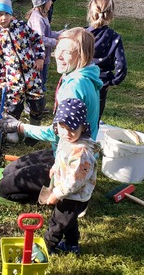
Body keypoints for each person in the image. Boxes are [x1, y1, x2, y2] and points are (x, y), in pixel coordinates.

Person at [0, 27, 102, 203]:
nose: (58, 56)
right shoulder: (84, 74)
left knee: (4, 189)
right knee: (8, 171)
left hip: (71, 158)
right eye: (57, 49)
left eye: (66, 52)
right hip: (63, 148)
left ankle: (66, 196)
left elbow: (58, 132)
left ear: (82, 55)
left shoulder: (75, 87)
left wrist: (19, 127)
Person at [42, 98, 98, 255]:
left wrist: (56, 194)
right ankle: (72, 245)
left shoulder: (81, 152)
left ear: (82, 127)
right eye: (62, 127)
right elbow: (62, 157)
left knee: (57, 223)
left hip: (73, 196)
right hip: (68, 192)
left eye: (72, 129)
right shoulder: (66, 139)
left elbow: (74, 181)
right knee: (69, 221)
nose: (66, 133)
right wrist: (55, 167)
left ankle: (47, 248)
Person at [0, 0, 46, 143]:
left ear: (11, 13)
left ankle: (34, 131)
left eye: (7, 13)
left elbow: (37, 39)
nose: (3, 18)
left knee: (37, 103)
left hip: (32, 74)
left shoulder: (21, 26)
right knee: (14, 105)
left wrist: (40, 57)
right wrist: (2, 79)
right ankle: (12, 129)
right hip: (13, 78)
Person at [86, 0, 127, 121]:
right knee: (95, 116)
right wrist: (114, 80)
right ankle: (91, 135)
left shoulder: (82, 34)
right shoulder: (114, 37)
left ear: (91, 13)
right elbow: (121, 64)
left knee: (78, 112)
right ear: (111, 15)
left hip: (81, 78)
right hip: (102, 82)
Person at [26, 0, 61, 111]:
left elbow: (47, 34)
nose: (51, 2)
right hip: (37, 58)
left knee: (42, 81)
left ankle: (38, 105)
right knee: (37, 82)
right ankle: (32, 107)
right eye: (50, 0)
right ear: (43, 2)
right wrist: (56, 42)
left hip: (43, 57)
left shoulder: (42, 16)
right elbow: (40, 39)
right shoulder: (37, 19)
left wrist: (58, 34)